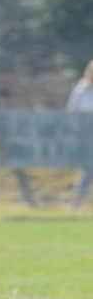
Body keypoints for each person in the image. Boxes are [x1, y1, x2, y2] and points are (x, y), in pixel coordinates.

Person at [66, 59, 93, 212]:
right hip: (85, 136)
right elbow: (72, 112)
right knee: (87, 171)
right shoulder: (81, 89)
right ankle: (76, 204)